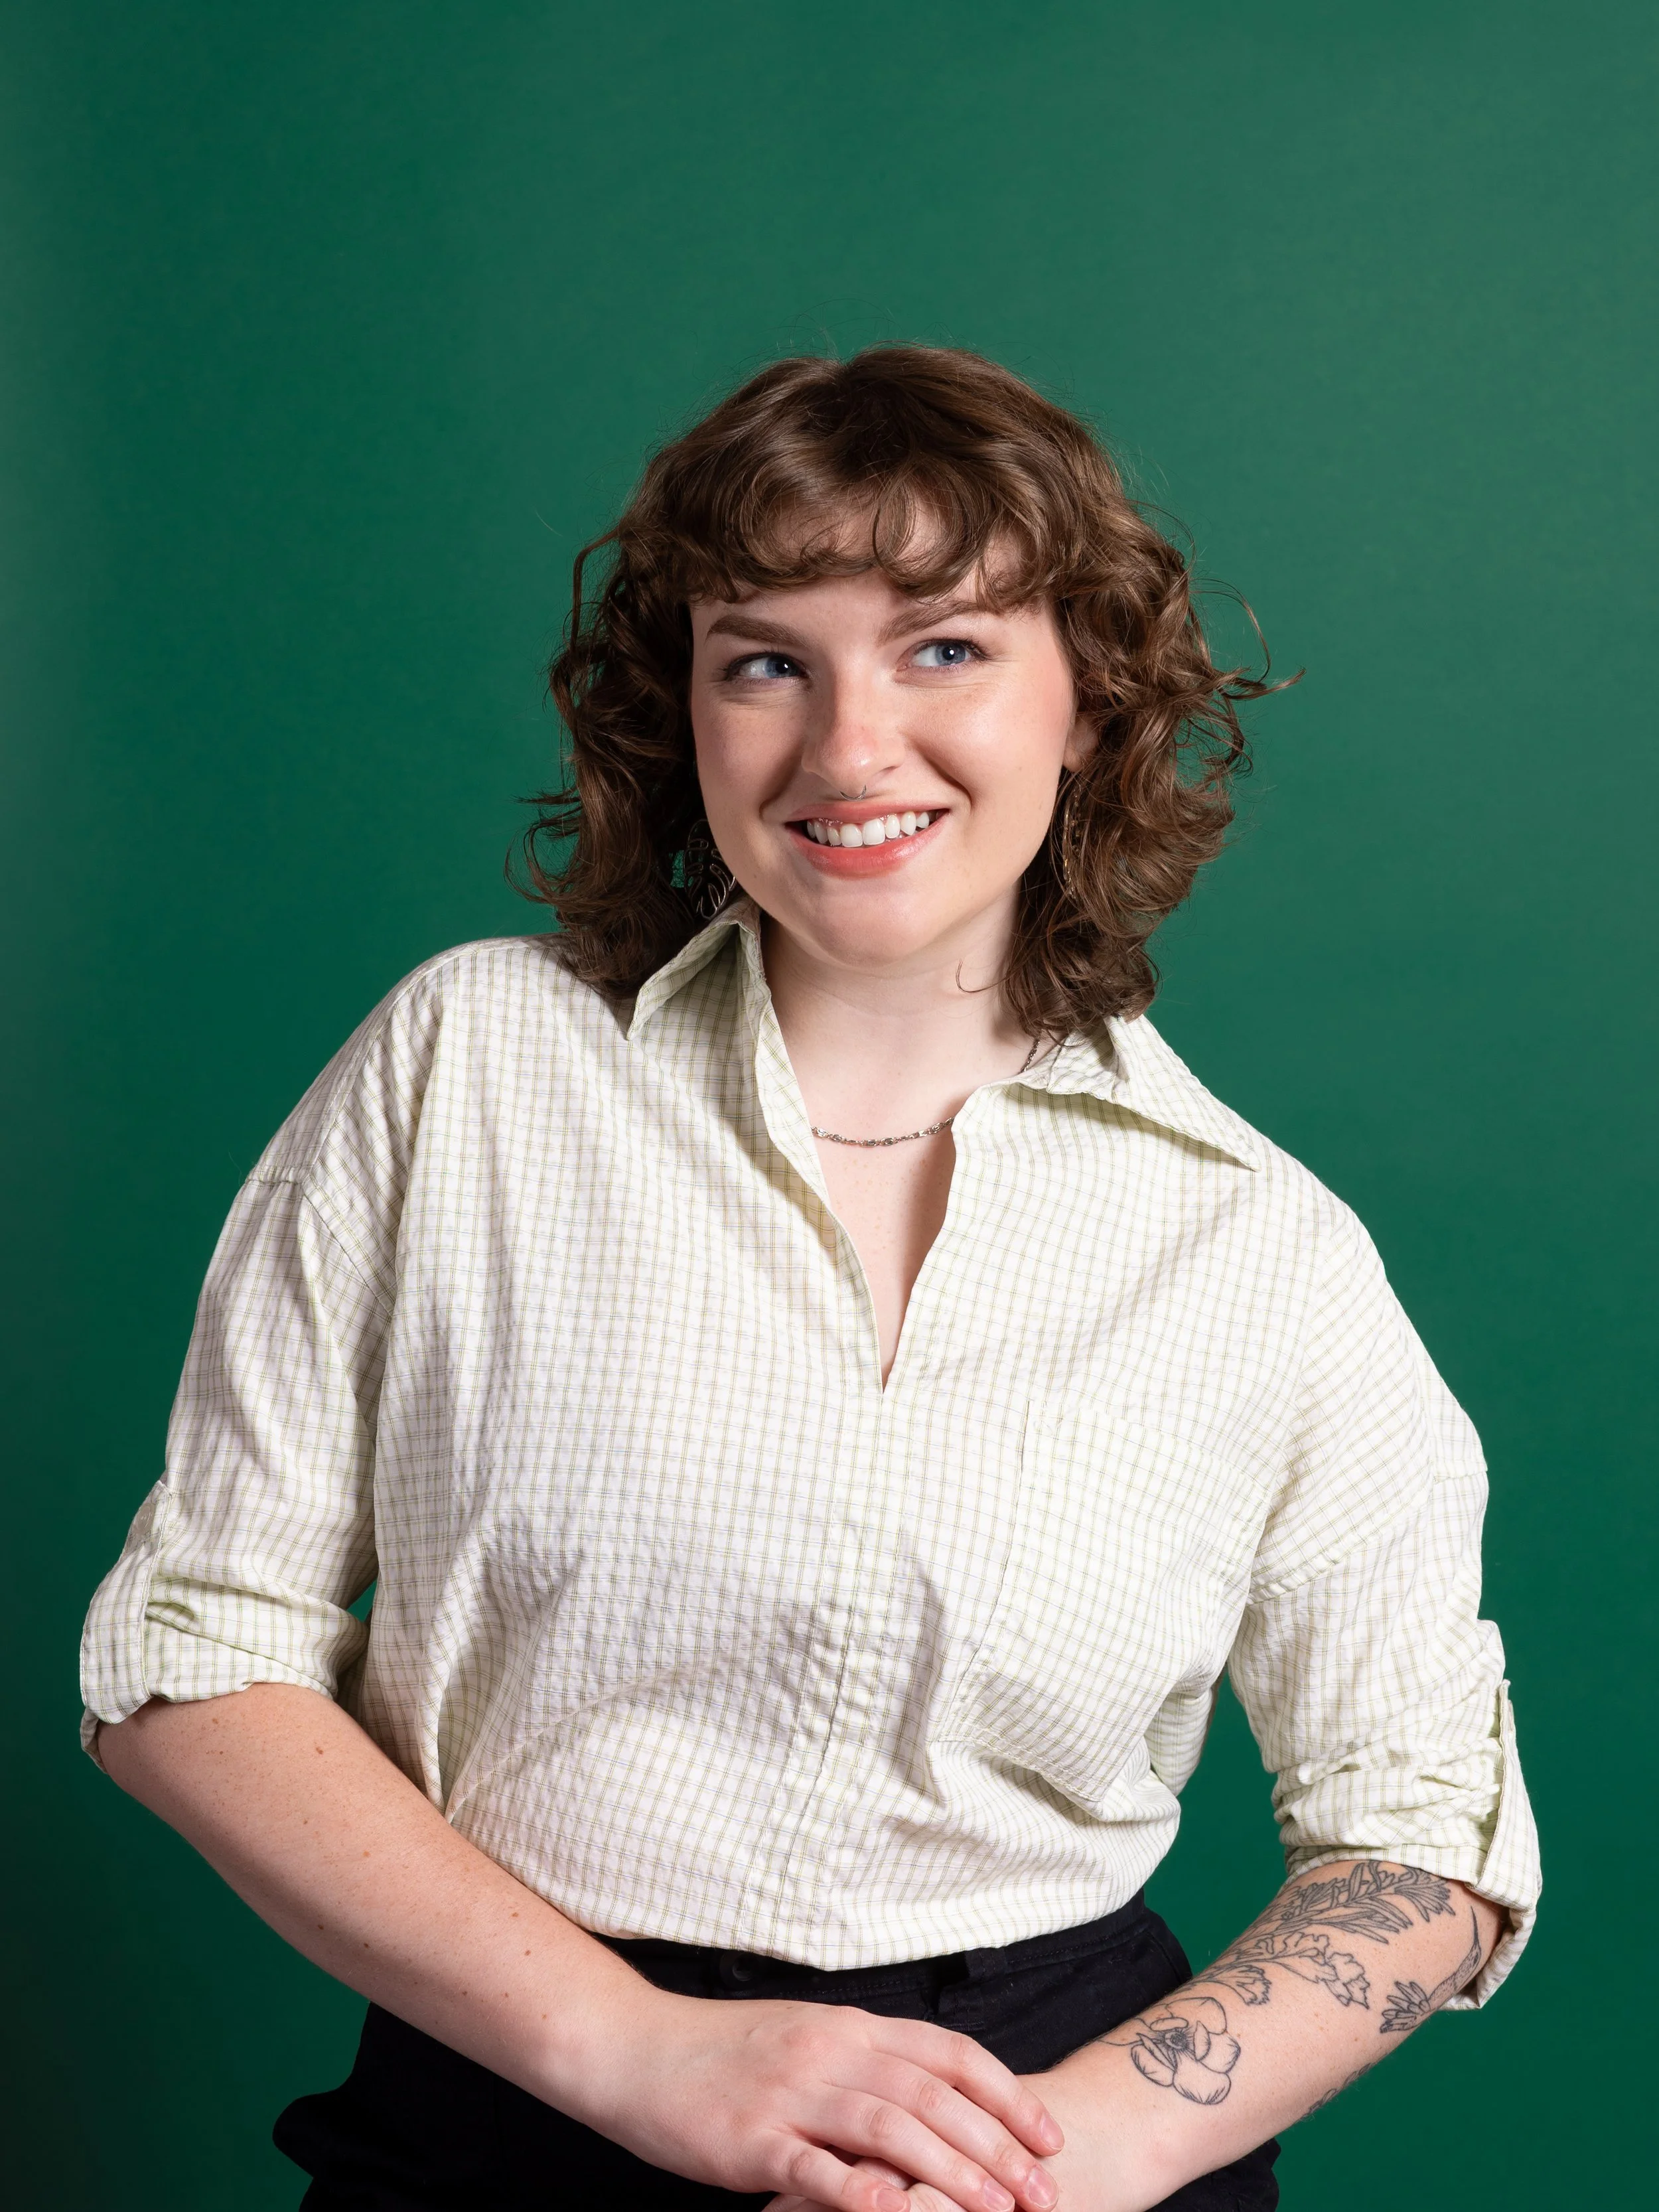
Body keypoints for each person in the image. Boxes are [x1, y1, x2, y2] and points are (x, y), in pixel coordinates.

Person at [81, 346, 1540, 2212]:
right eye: (765, 657)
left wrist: (1052, 2161)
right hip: (506, 2112)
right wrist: (639, 2050)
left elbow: (1421, 1842)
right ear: (678, 710)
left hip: (1058, 2138)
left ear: (1085, 699)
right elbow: (189, 1648)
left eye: (943, 647)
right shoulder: (468, 1068)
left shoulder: (1268, 1252)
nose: (849, 746)